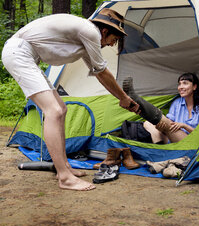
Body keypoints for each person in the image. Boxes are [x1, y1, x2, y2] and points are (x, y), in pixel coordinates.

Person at [1, 9, 140, 191]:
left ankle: (64, 168)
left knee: (61, 108)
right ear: (105, 31)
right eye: (115, 37)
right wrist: (123, 98)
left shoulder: (83, 39)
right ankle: (65, 178)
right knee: (54, 111)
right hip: (19, 54)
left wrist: (122, 98)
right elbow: (103, 73)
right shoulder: (90, 31)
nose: (115, 43)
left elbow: (99, 74)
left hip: (26, 56)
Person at [143, 73, 199, 144]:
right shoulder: (176, 103)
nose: (180, 87)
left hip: (191, 143)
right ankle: (160, 146)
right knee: (148, 123)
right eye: (179, 84)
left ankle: (143, 105)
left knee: (159, 118)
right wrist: (161, 127)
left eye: (185, 83)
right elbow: (169, 122)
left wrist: (184, 126)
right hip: (172, 139)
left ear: (194, 87)